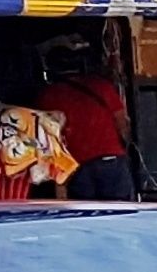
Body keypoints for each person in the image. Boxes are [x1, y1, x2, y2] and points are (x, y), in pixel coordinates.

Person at [43, 42, 135, 200]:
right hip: (111, 160)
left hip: (77, 165)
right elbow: (122, 123)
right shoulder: (102, 87)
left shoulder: (48, 96)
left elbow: (48, 138)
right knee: (121, 215)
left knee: (86, 218)